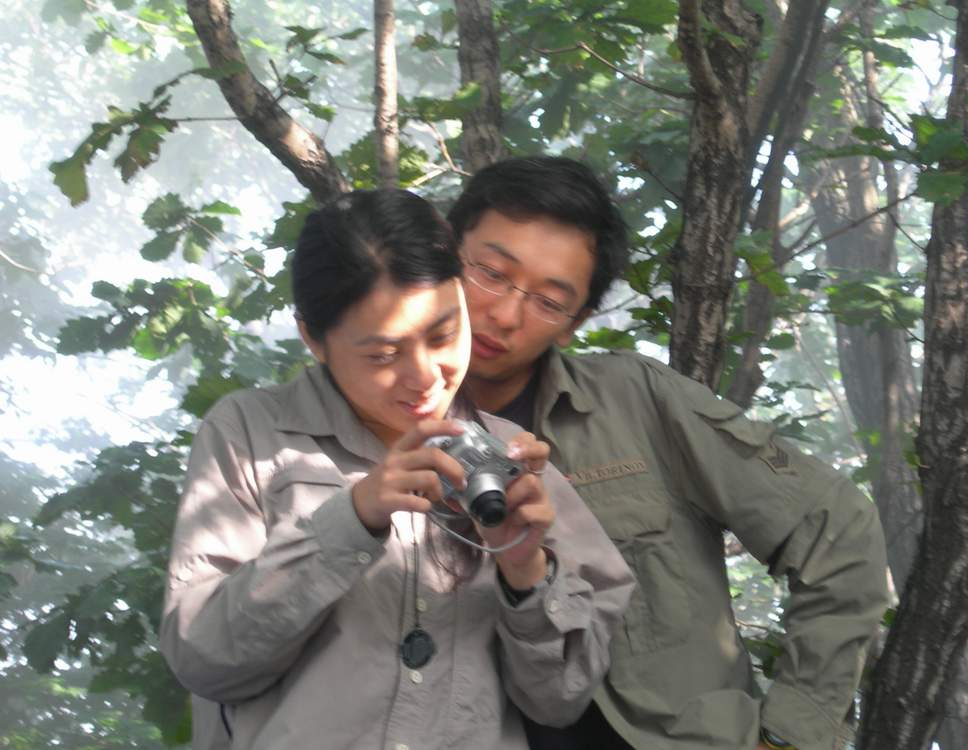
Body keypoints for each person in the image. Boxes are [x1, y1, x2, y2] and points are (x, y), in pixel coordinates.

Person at [159, 188, 634, 750]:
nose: (425, 376)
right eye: (383, 355)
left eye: (443, 335)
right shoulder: (251, 432)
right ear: (313, 338)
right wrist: (352, 518)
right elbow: (203, 660)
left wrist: (524, 567)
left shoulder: (512, 459)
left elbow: (559, 699)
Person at [447, 156, 890, 750]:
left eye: (548, 302)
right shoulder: (362, 423)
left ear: (575, 322)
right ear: (446, 252)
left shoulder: (636, 403)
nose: (504, 314)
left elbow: (836, 527)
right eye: (491, 273)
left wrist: (792, 735)